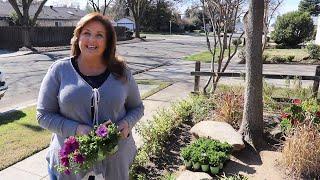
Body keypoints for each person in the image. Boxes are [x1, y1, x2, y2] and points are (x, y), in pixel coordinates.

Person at [37, 12, 144, 180]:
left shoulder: (121, 73)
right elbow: (43, 115)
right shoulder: (59, 70)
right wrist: (77, 129)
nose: (92, 40)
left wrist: (126, 123)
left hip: (115, 164)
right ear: (78, 36)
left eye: (99, 35)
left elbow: (137, 107)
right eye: (87, 33)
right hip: (70, 165)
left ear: (108, 41)